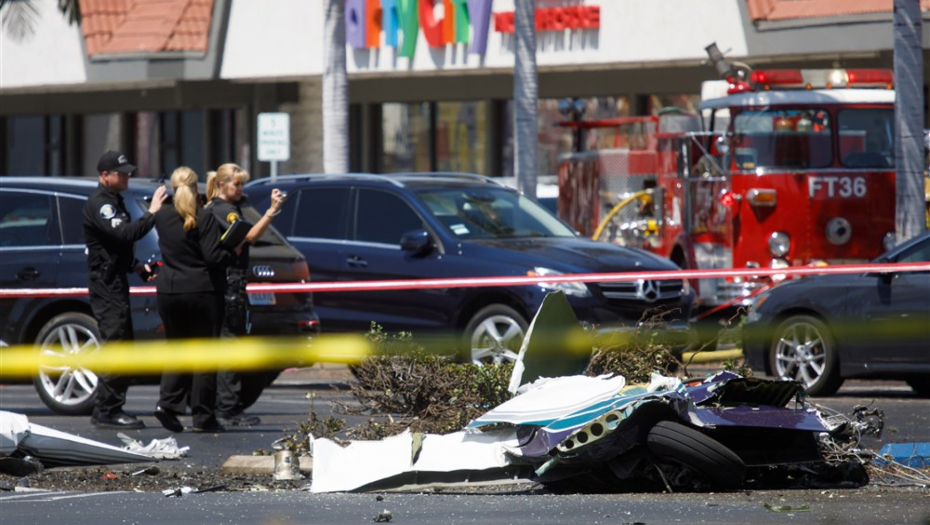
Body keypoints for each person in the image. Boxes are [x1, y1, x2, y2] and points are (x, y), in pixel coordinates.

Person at [83, 150, 167, 429]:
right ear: (105, 175)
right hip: (105, 283)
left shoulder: (114, 200)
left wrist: (138, 266)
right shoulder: (101, 204)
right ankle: (106, 411)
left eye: (128, 172)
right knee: (115, 344)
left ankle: (112, 406)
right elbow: (124, 234)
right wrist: (153, 212)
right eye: (121, 173)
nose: (127, 176)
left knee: (124, 344)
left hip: (115, 279)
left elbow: (117, 247)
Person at [152, 167, 235, 433]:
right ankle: (203, 416)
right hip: (202, 291)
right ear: (196, 188)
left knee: (176, 350)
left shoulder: (162, 216)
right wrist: (233, 250)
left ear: (172, 188)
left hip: (169, 290)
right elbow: (213, 257)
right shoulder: (205, 216)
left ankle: (167, 405)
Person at [205, 163, 285, 427]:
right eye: (236, 184)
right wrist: (271, 212)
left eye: (241, 184)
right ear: (222, 185)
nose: (240, 189)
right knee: (229, 347)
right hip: (229, 285)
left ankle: (226, 405)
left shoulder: (230, 207)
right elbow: (249, 235)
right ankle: (228, 408)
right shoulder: (222, 210)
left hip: (233, 284)